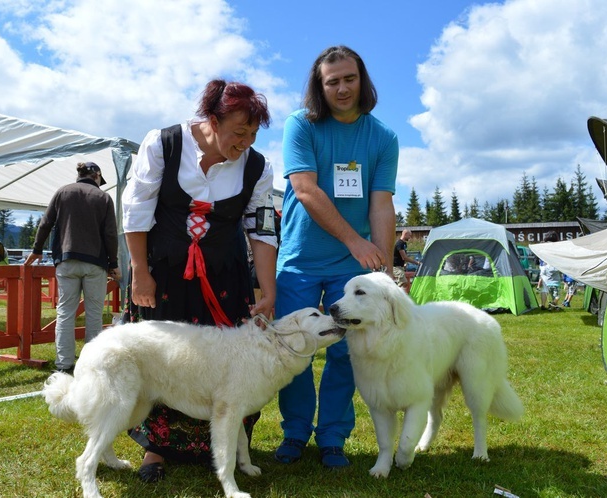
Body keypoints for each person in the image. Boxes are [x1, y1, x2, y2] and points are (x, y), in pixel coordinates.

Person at [121, 79, 277, 483]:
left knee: (232, 364)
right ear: (211, 120)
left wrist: (268, 289)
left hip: (226, 279)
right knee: (162, 360)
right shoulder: (163, 144)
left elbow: (261, 232)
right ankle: (155, 452)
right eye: (238, 132)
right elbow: (136, 211)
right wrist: (140, 273)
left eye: (253, 134)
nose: (245, 142)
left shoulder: (258, 167)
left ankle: (222, 448)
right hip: (165, 276)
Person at [274, 45, 398, 468]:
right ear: (319, 86)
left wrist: (385, 268)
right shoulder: (300, 125)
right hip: (300, 260)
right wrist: (354, 241)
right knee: (295, 348)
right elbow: (306, 190)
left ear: (362, 80)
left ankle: (332, 438)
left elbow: (381, 205)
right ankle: (294, 432)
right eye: (332, 82)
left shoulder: (383, 137)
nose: (342, 89)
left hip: (353, 265)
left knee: (346, 353)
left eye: (349, 79)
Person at [24, 161, 120, 374]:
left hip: (66, 260)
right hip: (95, 262)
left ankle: (64, 365)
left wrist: (37, 249)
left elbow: (45, 223)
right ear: (97, 176)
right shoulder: (103, 197)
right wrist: (113, 263)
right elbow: (110, 234)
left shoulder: (62, 192)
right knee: (94, 315)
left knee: (65, 312)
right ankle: (92, 367)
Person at [537, 231, 561, 310]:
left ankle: (543, 305)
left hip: (543, 267)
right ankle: (553, 303)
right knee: (556, 289)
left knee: (544, 289)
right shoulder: (556, 246)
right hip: (552, 267)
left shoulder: (542, 245)